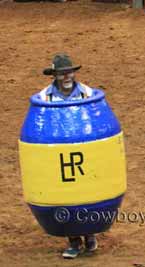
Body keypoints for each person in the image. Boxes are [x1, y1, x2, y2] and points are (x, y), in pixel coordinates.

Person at [39, 53, 97, 259]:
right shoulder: (44, 97)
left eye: (69, 72)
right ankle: (74, 240)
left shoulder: (88, 93)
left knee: (86, 192)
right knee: (64, 195)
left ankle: (89, 234)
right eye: (62, 73)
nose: (67, 77)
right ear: (54, 75)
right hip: (58, 153)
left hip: (84, 150)